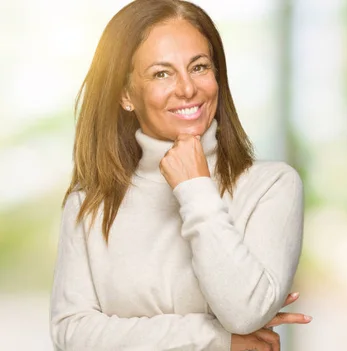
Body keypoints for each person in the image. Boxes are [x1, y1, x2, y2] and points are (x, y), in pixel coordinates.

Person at [49, 0, 310, 350]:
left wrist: (195, 188)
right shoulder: (90, 204)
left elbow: (244, 314)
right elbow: (73, 335)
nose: (187, 89)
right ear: (126, 94)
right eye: (162, 73)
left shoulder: (272, 187)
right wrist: (217, 339)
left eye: (199, 67)